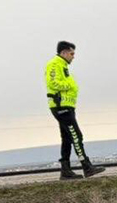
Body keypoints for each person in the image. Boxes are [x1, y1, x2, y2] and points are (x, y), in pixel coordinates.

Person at [45, 41, 105, 180]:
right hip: (61, 107)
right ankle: (87, 166)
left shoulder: (62, 65)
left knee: (67, 139)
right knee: (76, 136)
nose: (73, 57)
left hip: (66, 107)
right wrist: (71, 85)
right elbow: (53, 83)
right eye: (72, 53)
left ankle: (65, 171)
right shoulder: (54, 64)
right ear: (64, 53)